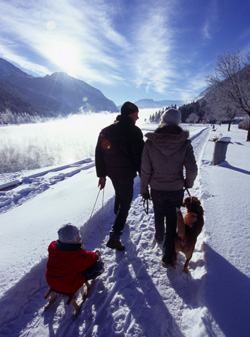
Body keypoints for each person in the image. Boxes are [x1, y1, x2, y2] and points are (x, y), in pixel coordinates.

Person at [140, 108, 197, 267]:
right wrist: (188, 183)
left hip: (157, 188)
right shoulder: (185, 144)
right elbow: (192, 169)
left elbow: (145, 170)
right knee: (173, 220)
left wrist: (144, 190)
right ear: (178, 122)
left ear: (163, 120)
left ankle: (159, 237)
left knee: (159, 213)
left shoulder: (150, 143)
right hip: (176, 189)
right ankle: (168, 254)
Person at [95, 101, 144, 251]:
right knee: (126, 203)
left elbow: (99, 153)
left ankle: (118, 217)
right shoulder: (134, 131)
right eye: (136, 114)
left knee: (119, 193)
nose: (138, 118)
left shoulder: (106, 130)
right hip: (126, 173)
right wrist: (144, 175)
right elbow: (139, 156)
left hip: (112, 172)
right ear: (130, 114)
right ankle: (115, 237)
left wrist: (102, 175)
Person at [46, 223, 104, 294]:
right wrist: (96, 255)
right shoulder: (76, 255)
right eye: (77, 237)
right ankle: (100, 269)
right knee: (96, 266)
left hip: (51, 281)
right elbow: (90, 258)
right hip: (69, 286)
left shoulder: (52, 246)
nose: (79, 238)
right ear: (72, 240)